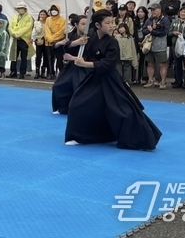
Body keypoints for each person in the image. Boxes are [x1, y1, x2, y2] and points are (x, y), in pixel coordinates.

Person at [63, 10, 162, 150]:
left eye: (112, 23)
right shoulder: (90, 38)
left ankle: (140, 139)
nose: (111, 26)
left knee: (123, 111)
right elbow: (70, 49)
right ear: (97, 25)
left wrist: (85, 64)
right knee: (77, 104)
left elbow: (108, 64)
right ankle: (83, 136)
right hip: (93, 79)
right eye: (107, 23)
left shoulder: (112, 42)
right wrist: (76, 44)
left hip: (110, 80)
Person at [50, 15, 89, 115]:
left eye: (87, 24)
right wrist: (64, 47)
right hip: (71, 66)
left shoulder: (91, 36)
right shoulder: (71, 35)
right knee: (59, 85)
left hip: (85, 66)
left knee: (79, 86)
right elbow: (63, 49)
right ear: (76, 24)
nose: (85, 26)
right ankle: (63, 108)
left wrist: (76, 58)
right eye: (83, 24)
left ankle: (80, 109)